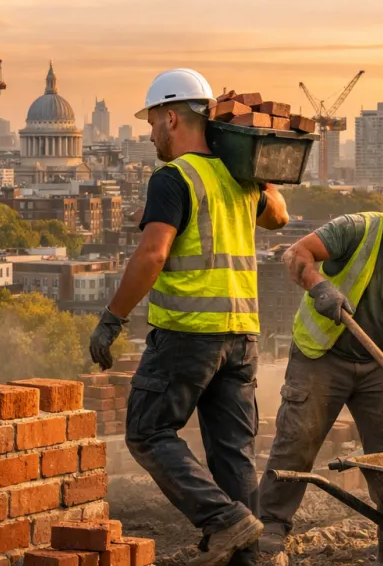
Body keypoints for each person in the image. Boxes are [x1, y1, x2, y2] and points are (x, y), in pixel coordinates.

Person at [88, 68, 289, 566]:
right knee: (233, 456)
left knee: (148, 432)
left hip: (189, 335)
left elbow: (153, 254)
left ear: (171, 117)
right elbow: (280, 215)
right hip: (242, 336)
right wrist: (251, 166)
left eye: (153, 122)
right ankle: (251, 558)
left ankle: (224, 521)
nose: (151, 133)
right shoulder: (236, 178)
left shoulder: (172, 178)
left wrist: (113, 318)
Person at [257, 179, 383, 554]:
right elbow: (296, 254)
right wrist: (319, 287)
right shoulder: (357, 229)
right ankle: (270, 522)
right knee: (297, 440)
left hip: (378, 366)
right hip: (323, 355)